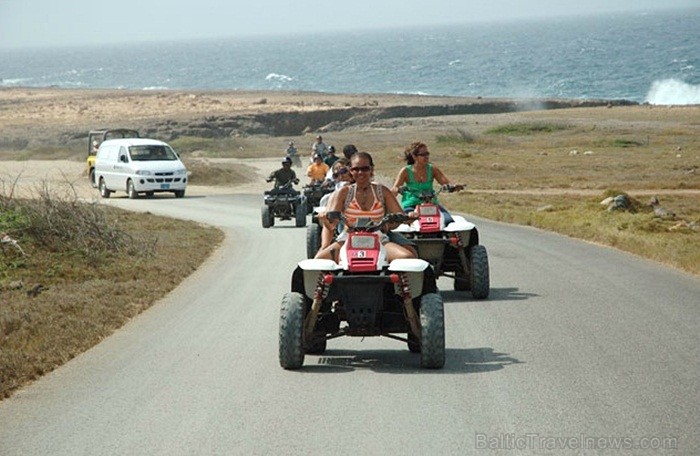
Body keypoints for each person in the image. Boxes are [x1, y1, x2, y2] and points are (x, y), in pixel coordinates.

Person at [315, 151, 416, 262]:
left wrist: (408, 216)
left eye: (365, 169)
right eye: (356, 169)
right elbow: (331, 225)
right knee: (318, 262)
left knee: (408, 258)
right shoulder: (343, 193)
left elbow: (399, 216)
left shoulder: (382, 191)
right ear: (350, 170)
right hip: (347, 239)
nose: (360, 172)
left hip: (378, 238)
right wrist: (325, 219)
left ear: (371, 169)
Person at [391, 141, 462, 225]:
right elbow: (395, 189)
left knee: (448, 221)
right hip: (411, 205)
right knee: (406, 222)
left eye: (427, 154)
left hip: (431, 204)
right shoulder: (406, 171)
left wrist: (453, 187)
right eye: (423, 154)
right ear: (414, 156)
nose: (426, 157)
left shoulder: (432, 169)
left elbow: (445, 183)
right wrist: (396, 190)